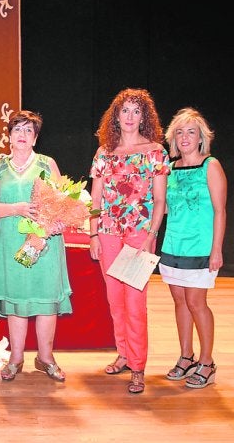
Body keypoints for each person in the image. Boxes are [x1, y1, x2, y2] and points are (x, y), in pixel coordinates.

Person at [89, 88, 170, 394]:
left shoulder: (155, 152)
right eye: (125, 111)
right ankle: (123, 353)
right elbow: (95, 198)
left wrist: (151, 236)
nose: (130, 117)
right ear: (116, 115)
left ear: (144, 117)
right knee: (115, 300)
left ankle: (138, 365)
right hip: (108, 232)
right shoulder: (103, 153)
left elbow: (160, 201)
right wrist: (94, 233)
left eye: (137, 111)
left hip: (138, 234)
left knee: (135, 302)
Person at [0, 110, 71, 382]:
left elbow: (64, 203)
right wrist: (16, 208)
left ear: (35, 138)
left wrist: (57, 223)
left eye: (28, 131)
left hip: (44, 245)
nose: (22, 135)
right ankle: (16, 358)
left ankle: (45, 358)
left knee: (45, 302)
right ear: (8, 136)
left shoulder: (46, 164)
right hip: (11, 244)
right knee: (16, 301)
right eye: (17, 130)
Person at [159, 107, 226, 389]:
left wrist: (217, 250)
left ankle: (207, 362)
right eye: (179, 132)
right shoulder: (170, 169)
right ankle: (187, 356)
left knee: (197, 303)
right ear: (173, 138)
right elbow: (161, 207)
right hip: (172, 246)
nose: (184, 137)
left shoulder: (211, 165)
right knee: (180, 302)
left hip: (200, 248)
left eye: (191, 132)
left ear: (201, 138)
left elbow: (220, 211)